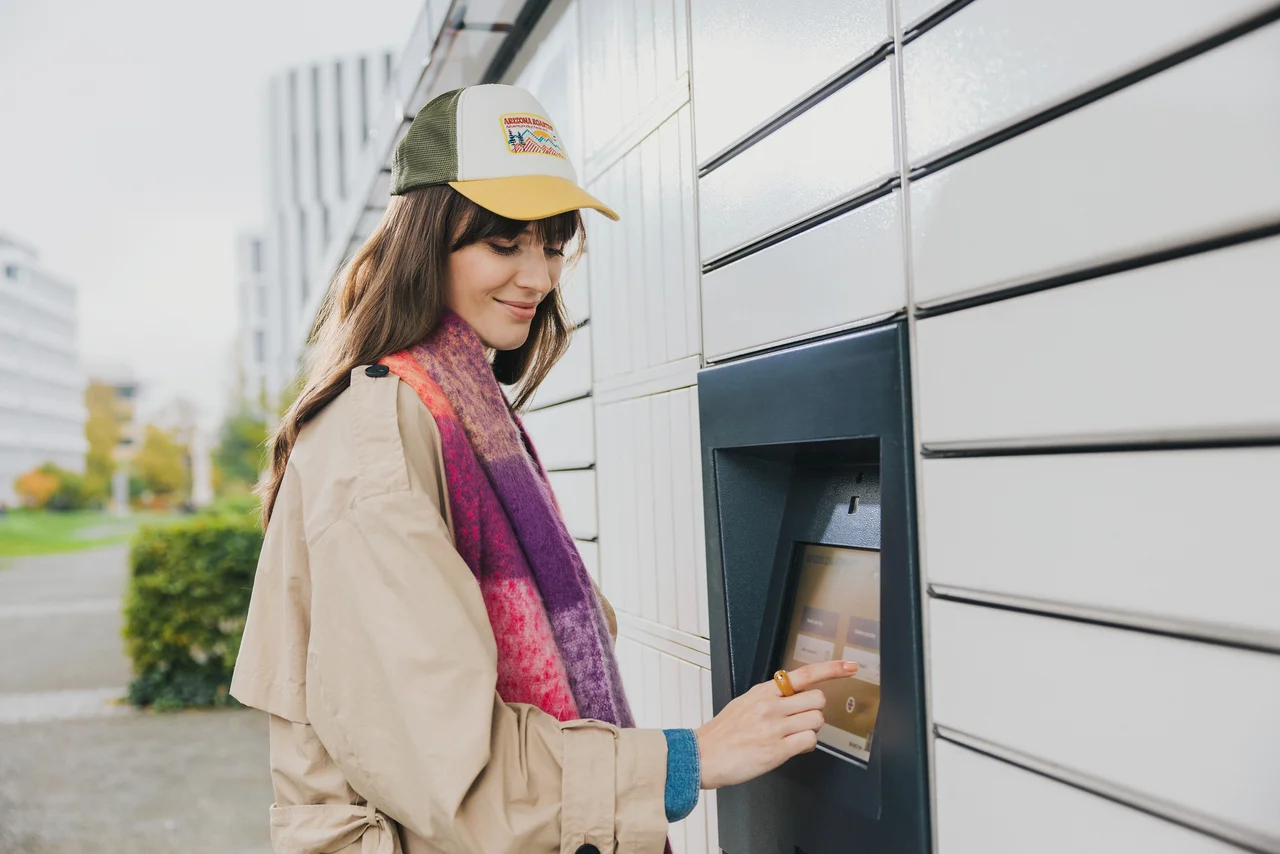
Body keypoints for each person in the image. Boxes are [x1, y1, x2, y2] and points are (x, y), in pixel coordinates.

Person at [230, 83, 858, 854]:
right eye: (503, 242)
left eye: (553, 243)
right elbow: (451, 768)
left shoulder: (465, 416)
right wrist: (694, 756)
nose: (539, 276)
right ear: (426, 240)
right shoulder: (382, 432)